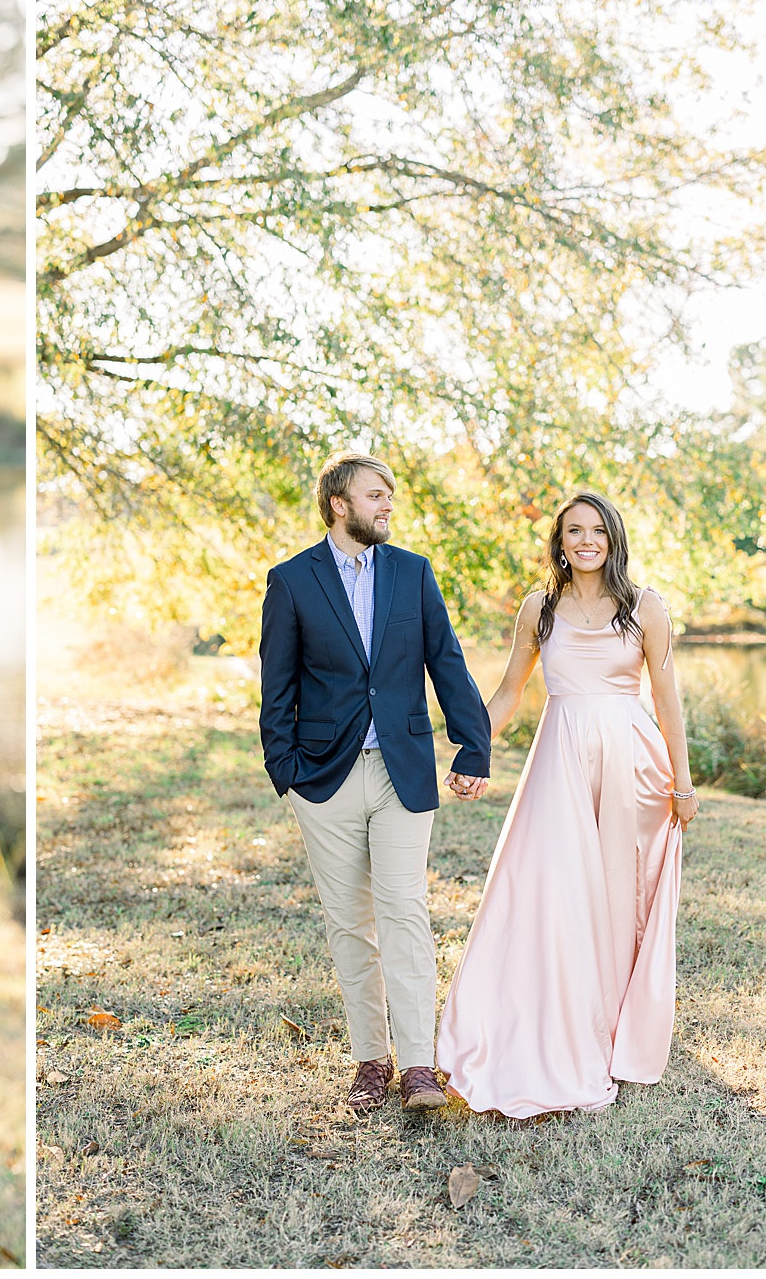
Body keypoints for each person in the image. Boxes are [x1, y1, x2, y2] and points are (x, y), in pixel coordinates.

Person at [437, 491, 696, 1118]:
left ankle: (610, 1024)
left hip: (628, 762)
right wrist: (474, 751)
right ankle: (544, 1022)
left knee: (613, 895)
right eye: (574, 531)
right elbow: (508, 693)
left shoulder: (645, 607)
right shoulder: (540, 609)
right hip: (558, 758)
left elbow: (666, 699)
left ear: (613, 539)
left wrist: (682, 783)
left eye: (597, 530)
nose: (586, 540)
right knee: (550, 887)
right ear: (559, 541)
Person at [259, 451, 493, 1113]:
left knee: (404, 911)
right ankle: (371, 1060)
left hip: (402, 773)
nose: (387, 505)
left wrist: (472, 746)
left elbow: (446, 661)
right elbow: (276, 686)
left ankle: (420, 1065)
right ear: (340, 504)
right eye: (375, 495)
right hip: (324, 780)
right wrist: (288, 773)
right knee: (348, 925)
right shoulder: (293, 581)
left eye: (390, 495)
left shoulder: (413, 575)